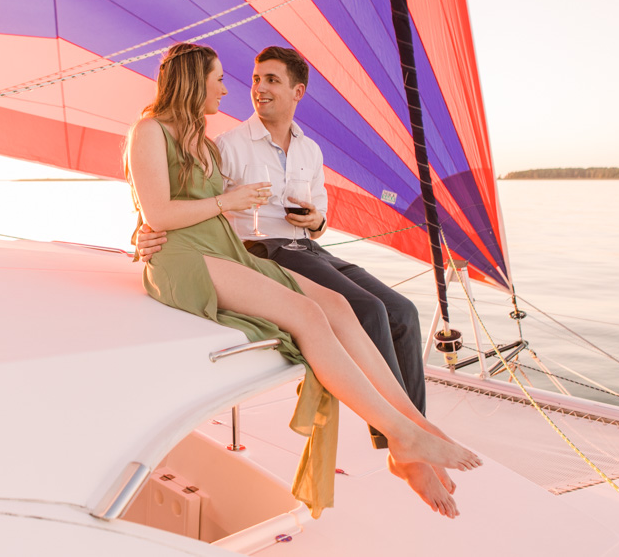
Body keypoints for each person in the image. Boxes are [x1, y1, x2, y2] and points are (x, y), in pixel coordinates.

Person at [125, 42, 480, 520]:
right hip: (186, 259)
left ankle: (413, 428)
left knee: (335, 305)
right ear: (193, 80)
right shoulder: (150, 131)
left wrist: (306, 221)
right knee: (309, 314)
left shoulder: (205, 141)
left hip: (231, 249)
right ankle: (402, 435)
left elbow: (162, 206)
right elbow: (157, 211)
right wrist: (206, 211)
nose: (230, 88)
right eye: (220, 79)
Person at [137, 46, 426, 449]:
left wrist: (317, 221)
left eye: (271, 80)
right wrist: (144, 232)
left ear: (297, 91)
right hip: (262, 248)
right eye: (255, 79)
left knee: (403, 312)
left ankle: (417, 427)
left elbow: (320, 214)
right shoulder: (228, 144)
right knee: (368, 310)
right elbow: (174, 199)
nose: (254, 88)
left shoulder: (309, 150)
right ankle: (394, 437)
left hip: (306, 246)